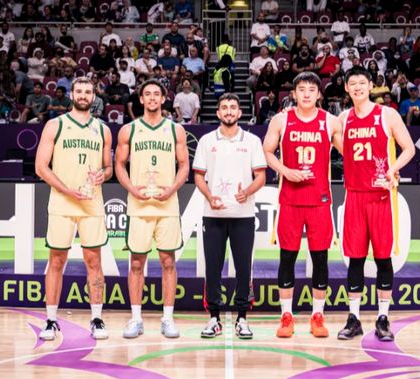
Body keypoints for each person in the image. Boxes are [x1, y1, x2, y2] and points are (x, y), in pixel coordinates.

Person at [334, 66, 415, 341]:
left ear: (371, 86)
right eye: (352, 83)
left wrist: (393, 169)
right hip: (355, 196)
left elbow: (409, 148)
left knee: (383, 259)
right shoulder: (343, 119)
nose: (357, 87)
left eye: (362, 82)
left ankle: (383, 318)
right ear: (346, 88)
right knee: (355, 260)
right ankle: (354, 318)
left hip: (380, 197)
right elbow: (324, 133)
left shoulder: (387, 114)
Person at [263, 72, 343, 338]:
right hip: (290, 200)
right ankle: (286, 316)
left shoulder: (330, 121)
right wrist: (285, 170)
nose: (307, 94)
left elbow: (350, 152)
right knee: (287, 257)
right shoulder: (281, 120)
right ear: (294, 93)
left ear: (319, 94)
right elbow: (267, 151)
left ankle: (317, 316)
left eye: (311, 89)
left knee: (320, 259)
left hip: (320, 201)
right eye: (302, 89)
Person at [35, 77, 113, 341]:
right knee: (56, 260)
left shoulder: (103, 130)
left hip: (91, 203)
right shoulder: (55, 125)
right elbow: (41, 167)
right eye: (79, 91)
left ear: (94, 96)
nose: (83, 95)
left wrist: (104, 174)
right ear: (71, 94)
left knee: (94, 261)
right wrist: (67, 190)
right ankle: (51, 320)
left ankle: (97, 318)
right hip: (62, 202)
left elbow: (108, 167)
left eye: (88, 92)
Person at [115, 79, 190, 339]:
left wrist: (172, 189)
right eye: (147, 94)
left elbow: (184, 165)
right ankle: (136, 319)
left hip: (167, 205)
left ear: (163, 98)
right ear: (141, 99)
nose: (152, 98)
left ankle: (167, 318)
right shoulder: (129, 130)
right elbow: (119, 164)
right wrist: (131, 189)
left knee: (168, 261)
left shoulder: (175, 130)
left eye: (156, 94)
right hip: (139, 205)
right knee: (136, 263)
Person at [193, 93, 267, 339]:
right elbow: (198, 176)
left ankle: (242, 318)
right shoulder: (206, 141)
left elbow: (261, 176)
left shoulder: (252, 141)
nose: (228, 111)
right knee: (212, 268)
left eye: (233, 107)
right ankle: (213, 318)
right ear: (218, 113)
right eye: (224, 107)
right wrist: (209, 196)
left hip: (243, 215)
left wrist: (247, 192)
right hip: (212, 214)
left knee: (244, 268)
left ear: (239, 112)